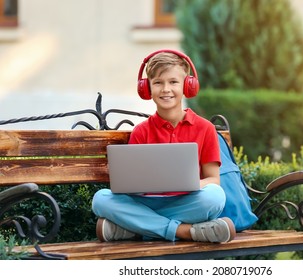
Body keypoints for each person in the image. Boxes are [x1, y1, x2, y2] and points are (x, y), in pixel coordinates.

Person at [91, 49, 236, 243]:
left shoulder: (205, 128)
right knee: (101, 199)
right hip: (149, 203)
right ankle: (185, 232)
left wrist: (192, 185)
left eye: (173, 82)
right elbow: (132, 184)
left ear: (187, 86)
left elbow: (213, 179)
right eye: (158, 82)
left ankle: (135, 229)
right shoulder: (141, 131)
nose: (166, 89)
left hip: (187, 202)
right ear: (147, 89)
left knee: (215, 197)